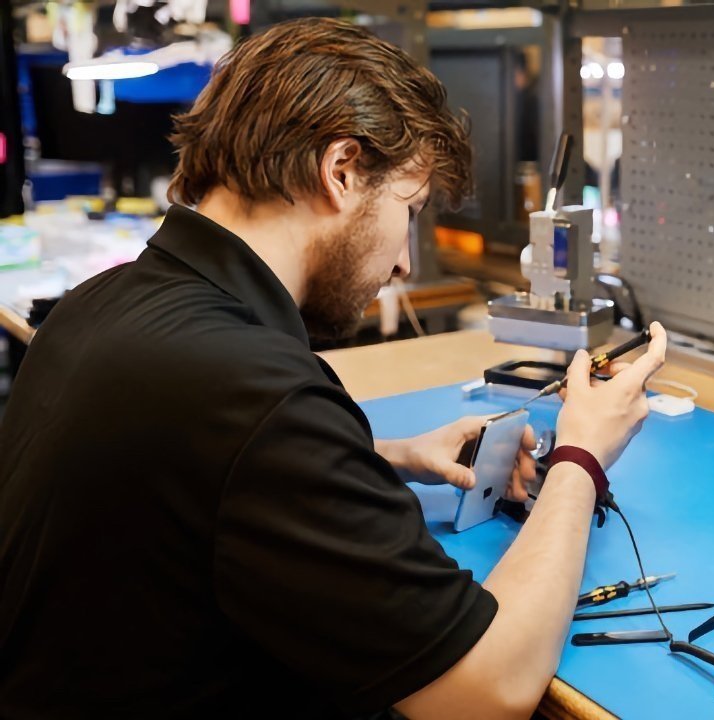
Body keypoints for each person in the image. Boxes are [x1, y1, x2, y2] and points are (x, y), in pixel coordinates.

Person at [0, 17, 667, 719]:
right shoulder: (257, 395)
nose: (406, 260)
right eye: (408, 208)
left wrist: (373, 458)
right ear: (341, 170)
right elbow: (486, 694)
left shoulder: (99, 305)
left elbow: (177, 471)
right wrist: (580, 458)